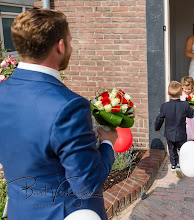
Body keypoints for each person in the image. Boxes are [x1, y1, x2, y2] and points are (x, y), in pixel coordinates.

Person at [0, 8, 117, 220]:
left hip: (20, 212)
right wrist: (108, 143)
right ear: (60, 46)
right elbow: (86, 184)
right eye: (70, 42)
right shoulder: (70, 106)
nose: (71, 47)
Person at [155, 81, 194, 173]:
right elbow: (190, 115)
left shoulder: (164, 106)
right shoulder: (185, 105)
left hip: (169, 133)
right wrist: (192, 109)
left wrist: (157, 127)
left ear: (168, 93)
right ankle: (181, 165)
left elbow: (160, 118)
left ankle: (173, 164)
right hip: (181, 133)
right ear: (181, 93)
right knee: (182, 149)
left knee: (171, 149)